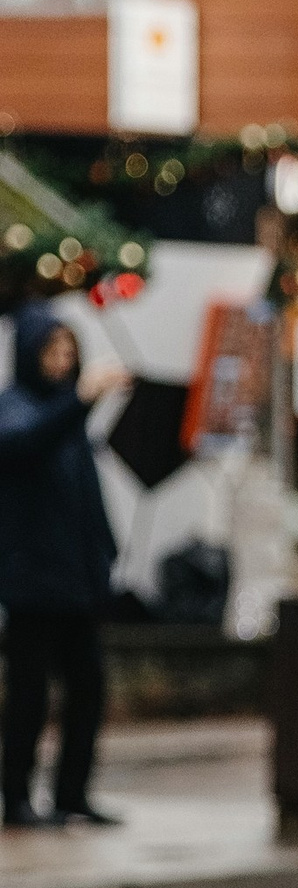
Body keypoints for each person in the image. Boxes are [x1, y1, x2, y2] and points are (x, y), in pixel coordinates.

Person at [0, 305, 126, 829]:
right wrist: (78, 401)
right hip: (33, 585)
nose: (62, 362)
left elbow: (85, 502)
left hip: (77, 584)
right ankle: (17, 798)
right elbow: (23, 444)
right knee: (28, 696)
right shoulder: (17, 409)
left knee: (88, 689)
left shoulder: (68, 422)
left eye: (68, 353)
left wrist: (105, 556)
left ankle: (72, 793)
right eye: (52, 352)